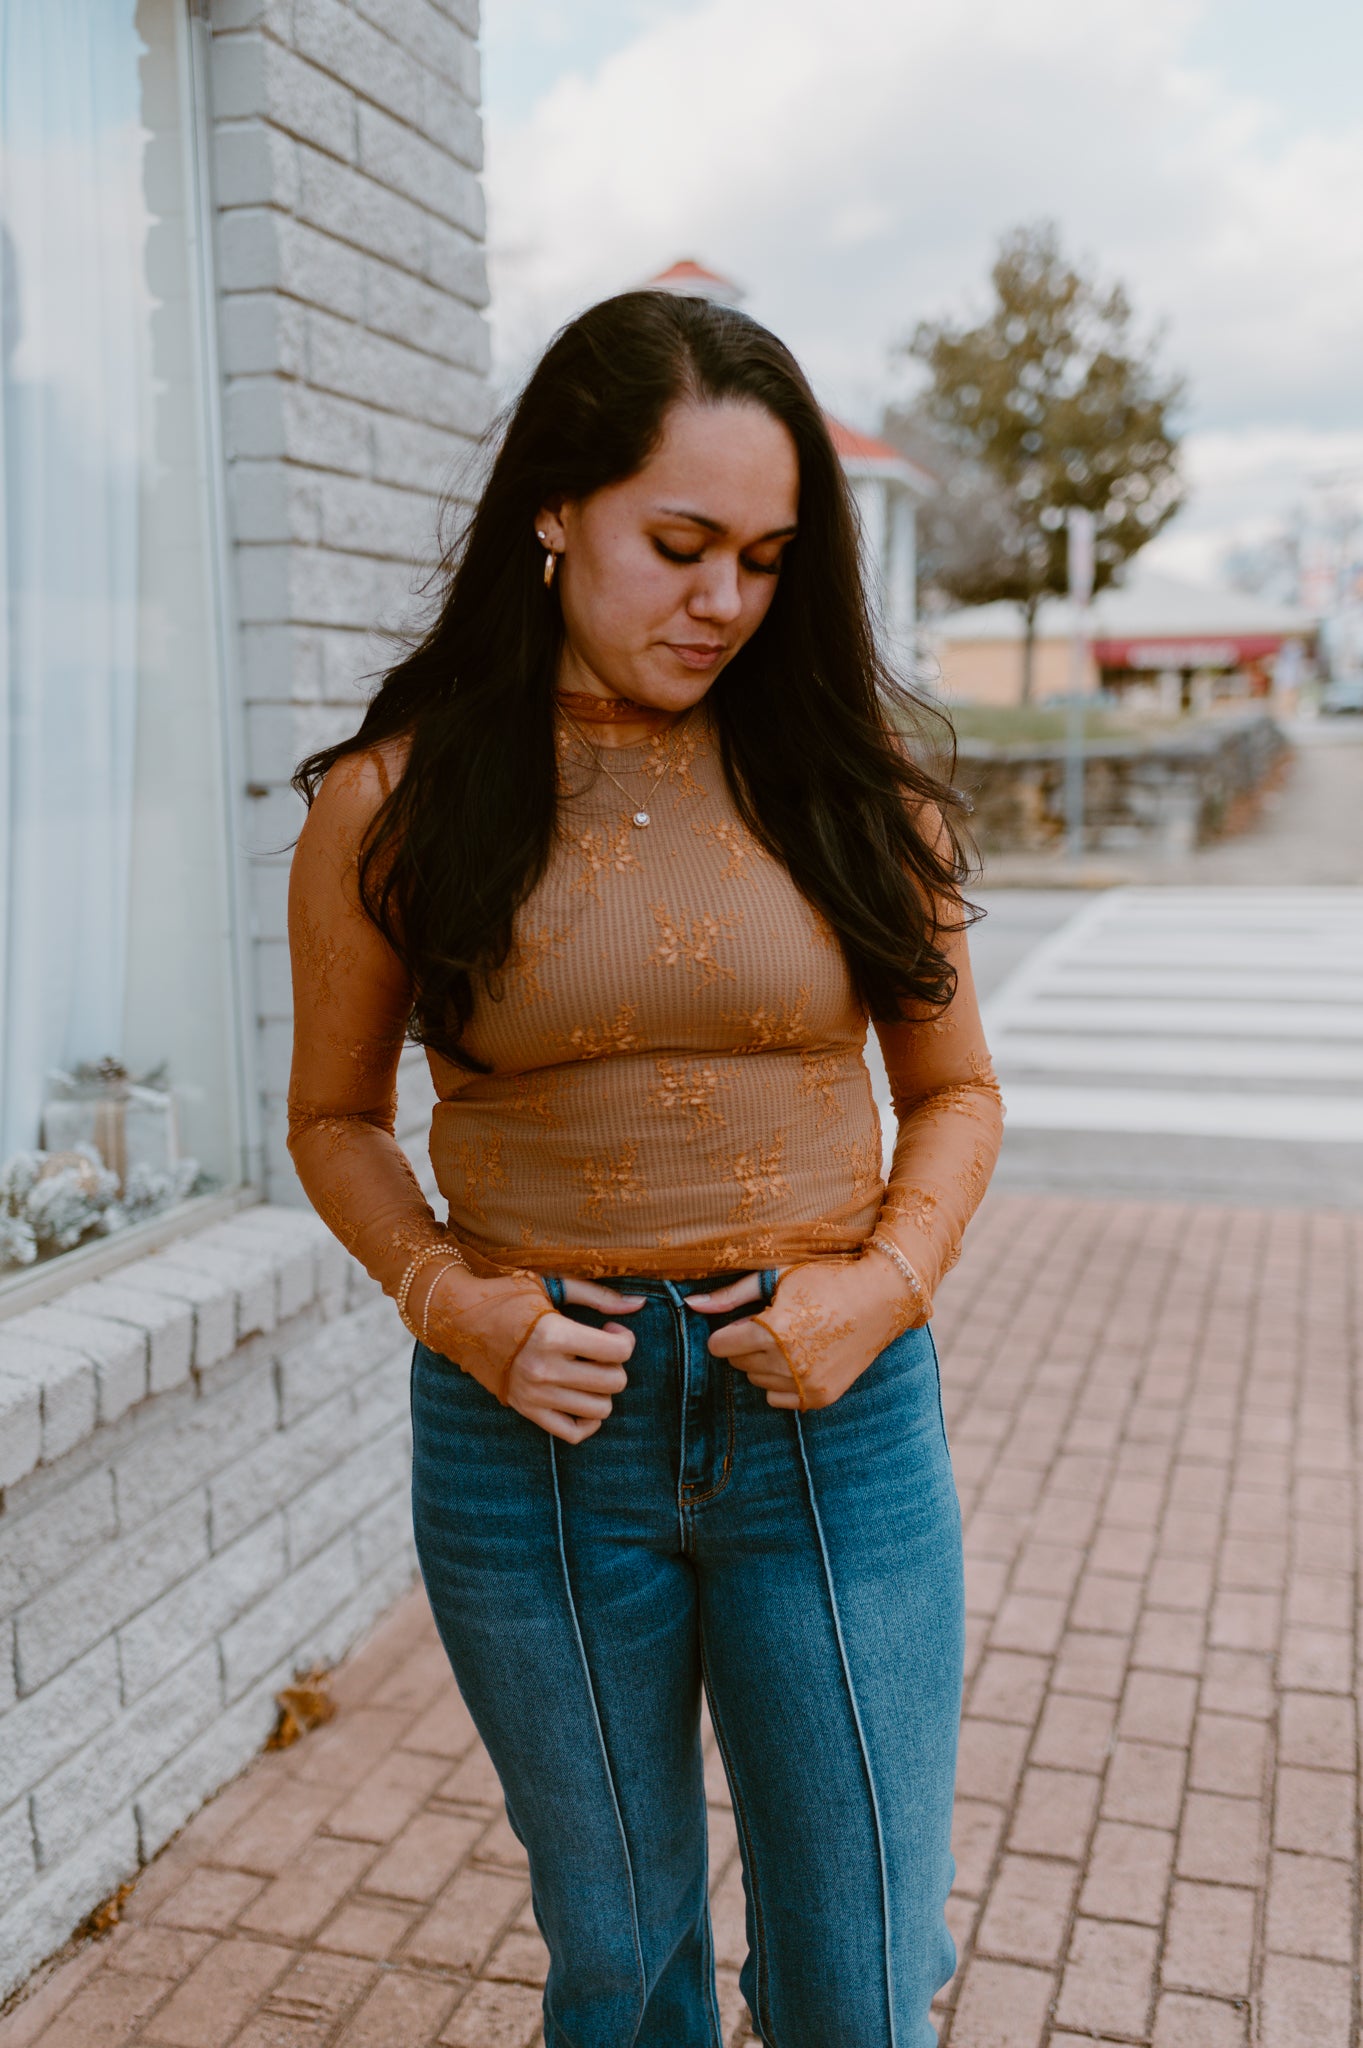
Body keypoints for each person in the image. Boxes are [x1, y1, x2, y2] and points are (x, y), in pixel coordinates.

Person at [286, 289, 1004, 2048]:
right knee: (623, 1971)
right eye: (678, 546)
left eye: (763, 559)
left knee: (862, 1979)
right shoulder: (393, 799)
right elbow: (334, 1119)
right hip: (539, 1443)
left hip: (833, 1428)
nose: (723, 603)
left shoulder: (851, 780)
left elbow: (960, 1091)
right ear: (554, 507)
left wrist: (885, 1289)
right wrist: (454, 1304)